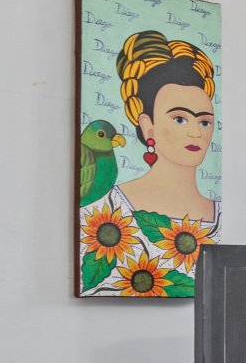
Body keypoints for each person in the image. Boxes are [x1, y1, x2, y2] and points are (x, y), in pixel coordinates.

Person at [81, 29, 218, 295]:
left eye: (204, 122)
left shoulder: (222, 215)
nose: (195, 132)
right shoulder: (106, 211)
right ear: (148, 126)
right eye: (180, 119)